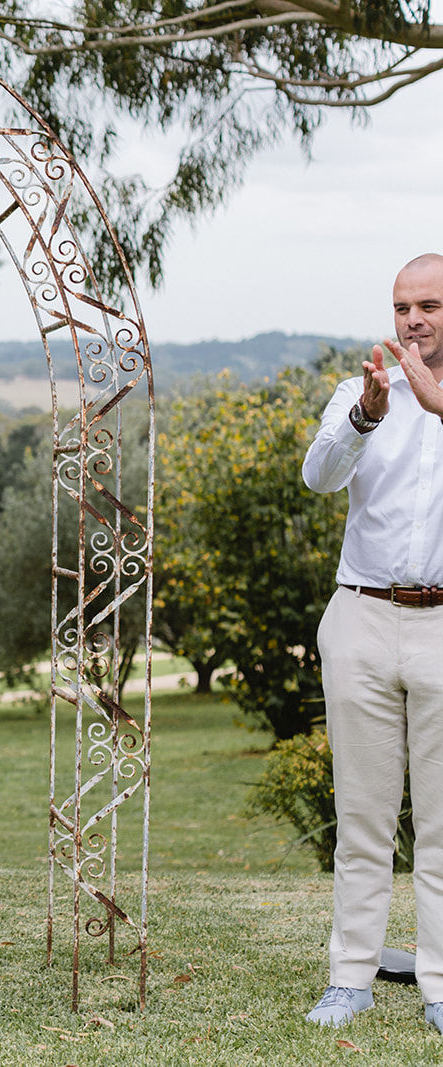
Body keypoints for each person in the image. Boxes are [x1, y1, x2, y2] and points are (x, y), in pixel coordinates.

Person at [302, 252, 443, 1032]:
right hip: (360, 615)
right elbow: (318, 476)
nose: (412, 320)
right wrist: (365, 418)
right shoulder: (361, 392)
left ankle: (440, 984)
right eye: (401, 306)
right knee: (361, 813)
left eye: (428, 305)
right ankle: (350, 975)